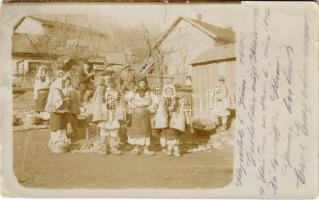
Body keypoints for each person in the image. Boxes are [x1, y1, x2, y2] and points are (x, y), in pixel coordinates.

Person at [90, 71, 122, 155]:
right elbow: (97, 100)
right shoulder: (100, 88)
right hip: (104, 111)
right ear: (103, 78)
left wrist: (118, 105)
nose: (108, 78)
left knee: (114, 129)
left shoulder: (115, 87)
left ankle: (113, 146)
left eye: (109, 77)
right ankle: (103, 147)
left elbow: (119, 98)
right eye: (106, 76)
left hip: (113, 111)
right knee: (104, 129)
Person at [127, 76, 156, 156]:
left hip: (145, 114)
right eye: (141, 83)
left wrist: (151, 107)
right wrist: (132, 104)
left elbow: (155, 100)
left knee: (145, 132)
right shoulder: (134, 92)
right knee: (136, 132)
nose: (143, 84)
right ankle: (136, 148)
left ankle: (146, 148)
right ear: (138, 84)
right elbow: (127, 99)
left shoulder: (149, 92)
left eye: (144, 83)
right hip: (136, 114)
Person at [154, 84, 187, 157]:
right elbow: (161, 109)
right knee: (167, 134)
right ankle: (169, 148)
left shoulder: (177, 99)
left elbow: (180, 108)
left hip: (174, 119)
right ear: (165, 92)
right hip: (166, 120)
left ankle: (176, 149)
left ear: (173, 91)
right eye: (168, 91)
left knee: (174, 133)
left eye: (171, 91)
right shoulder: (163, 100)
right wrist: (166, 110)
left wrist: (175, 109)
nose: (170, 92)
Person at [45, 70, 70, 153]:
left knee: (60, 125)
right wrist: (65, 99)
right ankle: (57, 140)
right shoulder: (55, 90)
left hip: (59, 111)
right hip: (56, 111)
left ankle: (60, 139)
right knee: (57, 125)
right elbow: (58, 102)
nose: (64, 84)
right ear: (60, 82)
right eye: (63, 82)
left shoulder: (58, 89)